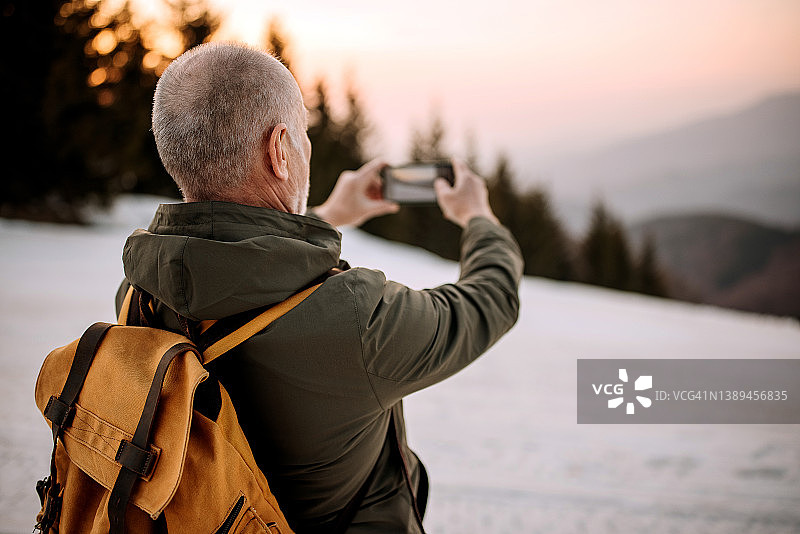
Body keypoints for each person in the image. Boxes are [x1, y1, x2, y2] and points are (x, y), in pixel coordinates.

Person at [116, 42, 523, 533]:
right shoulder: (356, 319)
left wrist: (327, 215)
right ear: (279, 150)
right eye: (303, 136)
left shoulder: (141, 290)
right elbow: (489, 301)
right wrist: (477, 217)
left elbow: (239, 271)